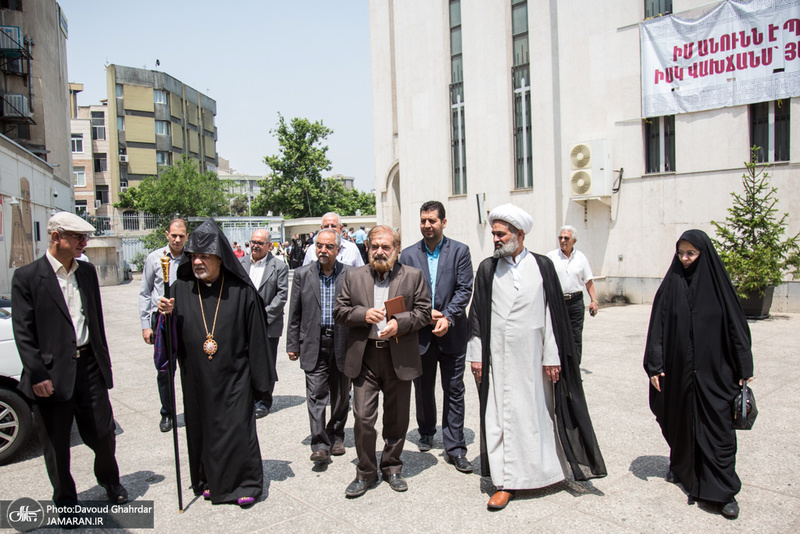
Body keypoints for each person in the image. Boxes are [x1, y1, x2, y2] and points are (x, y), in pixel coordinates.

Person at [467, 204, 606, 511]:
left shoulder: (543, 265)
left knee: (536, 416)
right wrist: (476, 357)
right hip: (499, 359)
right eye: (494, 234)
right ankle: (505, 483)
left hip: (534, 360)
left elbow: (553, 315)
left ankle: (545, 473)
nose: (496, 240)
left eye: (501, 234)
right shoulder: (488, 269)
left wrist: (552, 356)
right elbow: (476, 315)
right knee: (502, 417)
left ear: (519, 234)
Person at [158, 218, 275, 507]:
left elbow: (258, 342)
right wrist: (164, 317)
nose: (197, 261)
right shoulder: (179, 289)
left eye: (204, 256)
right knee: (203, 428)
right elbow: (168, 343)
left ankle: (244, 483)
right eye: (193, 256)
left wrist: (262, 385)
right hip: (196, 375)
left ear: (220, 258)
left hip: (234, 377)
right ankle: (208, 479)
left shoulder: (242, 291)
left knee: (236, 430)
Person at [12, 212, 128, 504]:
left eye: (85, 237)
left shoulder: (86, 273)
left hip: (89, 366)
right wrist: (37, 374)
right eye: (78, 237)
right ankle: (65, 500)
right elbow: (23, 333)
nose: (84, 243)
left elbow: (96, 323)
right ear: (56, 237)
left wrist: (103, 365)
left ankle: (110, 482)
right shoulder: (27, 277)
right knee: (56, 443)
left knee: (104, 433)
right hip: (51, 375)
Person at [644, 229, 753, 520]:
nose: (685, 258)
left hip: (716, 372)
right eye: (681, 253)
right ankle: (681, 467)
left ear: (703, 253)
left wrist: (745, 368)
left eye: (691, 253)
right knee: (680, 419)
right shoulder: (672, 284)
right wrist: (654, 365)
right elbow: (657, 327)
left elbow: (736, 327)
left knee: (719, 430)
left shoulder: (718, 286)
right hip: (679, 370)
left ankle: (723, 491)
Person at [333, 225, 431, 498]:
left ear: (396, 250)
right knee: (363, 417)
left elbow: (423, 313)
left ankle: (392, 467)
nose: (379, 251)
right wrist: (363, 315)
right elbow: (340, 311)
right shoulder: (353, 277)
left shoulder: (413, 276)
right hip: (365, 357)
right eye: (375, 246)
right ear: (367, 248)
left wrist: (398, 324)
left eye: (385, 247)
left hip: (398, 354)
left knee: (397, 418)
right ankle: (365, 471)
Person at [399, 201, 474, 472]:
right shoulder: (407, 255)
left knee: (454, 390)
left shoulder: (460, 252)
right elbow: (401, 294)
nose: (427, 225)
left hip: (452, 333)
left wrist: (447, 316)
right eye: (423, 221)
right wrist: (422, 314)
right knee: (423, 388)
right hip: (420, 334)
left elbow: (465, 289)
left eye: (432, 220)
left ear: (444, 221)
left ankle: (455, 447)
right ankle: (427, 431)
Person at [287, 229, 352, 463]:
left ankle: (336, 434)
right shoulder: (303, 274)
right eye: (320, 246)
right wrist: (292, 344)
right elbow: (294, 313)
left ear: (338, 250)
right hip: (314, 342)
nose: (323, 250)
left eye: (329, 247)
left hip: (343, 342)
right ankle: (320, 443)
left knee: (342, 394)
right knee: (315, 394)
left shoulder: (350, 275)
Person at [139, 218, 188, 432]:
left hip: (186, 319)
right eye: (174, 235)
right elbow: (145, 292)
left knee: (191, 367)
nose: (177, 240)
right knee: (164, 369)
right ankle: (167, 412)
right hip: (161, 320)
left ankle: (194, 409)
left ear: (187, 236)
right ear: (167, 234)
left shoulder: (192, 259)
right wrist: (145, 324)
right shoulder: (154, 258)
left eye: (182, 236)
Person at [240, 228, 289, 418]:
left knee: (266, 363)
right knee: (245, 362)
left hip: (268, 324)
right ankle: (247, 398)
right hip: (243, 324)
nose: (255, 246)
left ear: (269, 246)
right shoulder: (240, 264)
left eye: (260, 243)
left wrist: (261, 317)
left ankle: (263, 400)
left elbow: (282, 295)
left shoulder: (278, 267)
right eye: (253, 242)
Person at [546, 225, 598, 364]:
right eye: (560, 237)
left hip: (575, 303)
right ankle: (560, 369)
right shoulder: (551, 257)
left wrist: (594, 300)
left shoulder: (581, 258)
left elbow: (588, 281)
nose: (563, 240)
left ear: (574, 241)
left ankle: (574, 370)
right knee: (556, 336)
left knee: (575, 337)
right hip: (557, 302)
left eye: (566, 238)